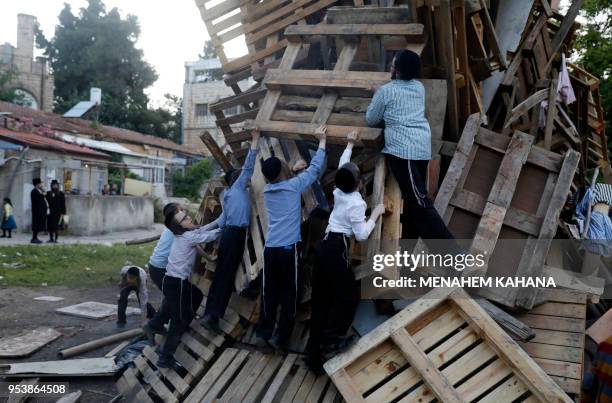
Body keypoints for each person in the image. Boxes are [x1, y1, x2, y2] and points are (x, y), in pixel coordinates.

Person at [304, 130, 386, 373]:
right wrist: (376, 212)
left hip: (323, 247)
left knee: (321, 302)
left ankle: (312, 357)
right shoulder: (357, 203)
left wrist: (349, 144)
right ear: (360, 184)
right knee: (348, 295)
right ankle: (332, 340)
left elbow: (342, 166)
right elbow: (361, 234)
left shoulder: (339, 191)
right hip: (336, 249)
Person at [366, 49, 454, 242]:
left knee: (420, 203)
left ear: (396, 69)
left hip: (403, 151)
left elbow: (371, 119)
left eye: (393, 62)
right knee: (414, 205)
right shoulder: (419, 88)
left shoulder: (386, 91)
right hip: (421, 148)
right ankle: (413, 257)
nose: (390, 65)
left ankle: (456, 257)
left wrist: (377, 94)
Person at [255, 126, 327, 352]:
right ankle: (281, 338)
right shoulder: (293, 186)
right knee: (289, 295)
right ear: (283, 172)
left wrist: (293, 172)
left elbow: (283, 182)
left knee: (270, 294)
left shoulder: (268, 191)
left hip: (271, 250)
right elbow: (315, 169)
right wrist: (322, 141)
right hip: (289, 250)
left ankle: (264, 333)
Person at [200, 130, 260, 333]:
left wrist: (201, 231)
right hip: (235, 236)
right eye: (241, 176)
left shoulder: (228, 196)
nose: (245, 178)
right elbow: (249, 166)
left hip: (227, 235)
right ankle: (213, 318)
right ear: (237, 179)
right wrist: (255, 140)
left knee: (220, 276)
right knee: (226, 278)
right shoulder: (238, 187)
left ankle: (208, 314)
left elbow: (220, 221)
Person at [157, 209, 221, 369]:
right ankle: (165, 358)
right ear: (180, 227)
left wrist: (220, 220)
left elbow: (203, 229)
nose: (189, 218)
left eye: (186, 215)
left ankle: (183, 323)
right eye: (184, 219)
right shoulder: (188, 237)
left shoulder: (185, 235)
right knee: (176, 321)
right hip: (175, 283)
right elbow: (209, 235)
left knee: (197, 294)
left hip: (176, 281)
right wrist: (227, 227)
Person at [142, 202, 179, 344]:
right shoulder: (175, 229)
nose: (185, 213)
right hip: (159, 269)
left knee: (171, 297)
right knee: (173, 298)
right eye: (181, 211)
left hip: (158, 267)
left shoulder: (170, 228)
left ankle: (157, 324)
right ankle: (153, 326)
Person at [30, 178, 48, 244]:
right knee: (36, 225)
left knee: (38, 225)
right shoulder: (34, 191)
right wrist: (43, 194)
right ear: (37, 184)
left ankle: (36, 237)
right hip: (37, 211)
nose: (41, 185)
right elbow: (38, 199)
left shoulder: (38, 190)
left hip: (40, 211)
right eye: (40, 183)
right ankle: (34, 238)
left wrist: (43, 192)